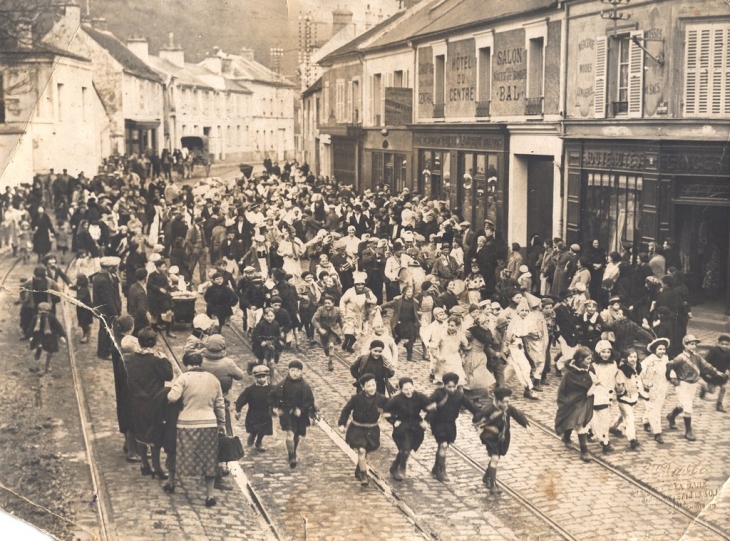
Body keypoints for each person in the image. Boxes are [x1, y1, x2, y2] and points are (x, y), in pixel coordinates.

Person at [167, 351, 226, 506]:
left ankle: (171, 482)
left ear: (186, 364)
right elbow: (220, 404)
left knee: (178, 452)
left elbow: (172, 398)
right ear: (201, 363)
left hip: (187, 423)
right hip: (209, 423)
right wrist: (221, 424)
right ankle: (209, 496)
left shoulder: (184, 378)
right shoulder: (213, 379)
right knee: (209, 458)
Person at [125, 328, 174, 480]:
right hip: (155, 401)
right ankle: (157, 466)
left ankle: (144, 464)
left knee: (140, 432)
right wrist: (164, 358)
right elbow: (169, 375)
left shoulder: (130, 359)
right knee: (155, 434)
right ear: (153, 342)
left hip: (137, 401)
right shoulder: (157, 360)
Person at [666, 334, 728, 441]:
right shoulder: (680, 358)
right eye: (691, 344)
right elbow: (670, 367)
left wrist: (716, 372)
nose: (693, 346)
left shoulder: (697, 357)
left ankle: (671, 416)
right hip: (683, 385)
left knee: (682, 405)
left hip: (693, 385)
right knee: (688, 407)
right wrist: (671, 378)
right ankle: (688, 431)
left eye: (695, 344)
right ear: (685, 345)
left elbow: (706, 366)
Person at [473, 387, 532, 495]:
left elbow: (518, 414)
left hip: (503, 436)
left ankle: (487, 476)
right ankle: (493, 485)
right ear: (497, 400)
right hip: (490, 437)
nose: (506, 404)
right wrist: (489, 428)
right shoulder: (488, 409)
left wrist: (526, 425)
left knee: (497, 457)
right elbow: (476, 422)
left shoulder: (507, 408)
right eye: (504, 402)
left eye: (508, 402)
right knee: (495, 458)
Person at [426, 372, 481, 482]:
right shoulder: (438, 393)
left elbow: (471, 407)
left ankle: (436, 468)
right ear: (444, 385)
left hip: (450, 423)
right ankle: (442, 471)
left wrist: (481, 415)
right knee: (443, 444)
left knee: (444, 445)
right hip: (438, 422)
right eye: (449, 387)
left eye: (454, 387)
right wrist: (429, 407)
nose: (451, 389)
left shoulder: (459, 395)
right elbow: (426, 404)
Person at [338, 373, 389, 487]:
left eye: (373, 385)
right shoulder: (356, 398)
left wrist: (391, 418)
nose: (372, 388)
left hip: (372, 429)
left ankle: (359, 468)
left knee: (365, 451)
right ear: (363, 387)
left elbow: (390, 408)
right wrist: (342, 423)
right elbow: (346, 410)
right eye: (368, 386)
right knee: (361, 450)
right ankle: (364, 475)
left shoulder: (381, 398)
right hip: (358, 429)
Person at [269, 360, 317, 468]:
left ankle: (293, 450)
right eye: (292, 370)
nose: (295, 373)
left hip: (300, 415)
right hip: (286, 413)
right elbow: (271, 396)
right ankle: (292, 456)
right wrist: (275, 409)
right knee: (290, 434)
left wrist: (302, 409)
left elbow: (310, 400)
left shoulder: (305, 386)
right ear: (289, 371)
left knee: (297, 435)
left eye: (297, 371)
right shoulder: (282, 384)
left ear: (301, 372)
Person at [384, 377, 431, 481]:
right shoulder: (396, 400)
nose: (409, 391)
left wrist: (426, 421)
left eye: (410, 388)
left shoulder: (420, 397)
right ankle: (402, 468)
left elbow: (431, 409)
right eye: (405, 389)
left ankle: (394, 467)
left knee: (408, 449)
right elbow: (386, 412)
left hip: (416, 427)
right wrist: (393, 420)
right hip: (402, 426)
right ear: (401, 389)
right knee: (405, 449)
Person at [555, 346, 595, 462]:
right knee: (571, 420)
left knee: (582, 423)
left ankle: (584, 450)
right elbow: (562, 389)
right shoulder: (569, 374)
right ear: (580, 360)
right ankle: (568, 439)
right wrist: (563, 402)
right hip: (572, 401)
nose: (590, 361)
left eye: (590, 359)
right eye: (587, 359)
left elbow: (595, 382)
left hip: (585, 401)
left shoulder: (590, 369)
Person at [201, 334, 244, 437]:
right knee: (225, 422)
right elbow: (240, 376)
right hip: (223, 397)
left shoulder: (201, 361)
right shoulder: (228, 363)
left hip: (204, 397)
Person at [611, 349, 646, 450]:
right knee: (630, 418)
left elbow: (639, 380)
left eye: (635, 357)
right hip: (624, 398)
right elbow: (618, 384)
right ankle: (633, 440)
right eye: (630, 357)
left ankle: (613, 427)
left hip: (633, 397)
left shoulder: (637, 367)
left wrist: (643, 391)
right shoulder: (622, 370)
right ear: (626, 358)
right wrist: (621, 390)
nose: (633, 359)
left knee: (624, 415)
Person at [235, 365, 273, 452]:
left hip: (265, 413)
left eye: (263, 377)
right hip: (253, 413)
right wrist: (238, 410)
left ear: (266, 377)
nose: (261, 379)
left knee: (263, 430)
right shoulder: (250, 390)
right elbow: (241, 400)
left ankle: (259, 442)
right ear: (255, 378)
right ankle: (252, 438)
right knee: (254, 429)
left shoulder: (271, 388)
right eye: (259, 377)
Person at [641, 338, 671, 444]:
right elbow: (641, 373)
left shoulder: (666, 359)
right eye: (659, 349)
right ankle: (657, 433)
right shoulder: (649, 360)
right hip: (651, 388)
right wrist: (645, 385)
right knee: (655, 410)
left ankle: (645, 421)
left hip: (662, 386)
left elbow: (669, 370)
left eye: (664, 349)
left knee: (655, 407)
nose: (662, 351)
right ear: (654, 350)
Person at [93, 256, 122, 359]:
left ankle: (107, 349)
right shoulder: (104, 280)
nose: (117, 268)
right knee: (106, 331)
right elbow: (108, 299)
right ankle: (103, 352)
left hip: (104, 310)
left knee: (107, 329)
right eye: (115, 267)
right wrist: (114, 312)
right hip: (106, 311)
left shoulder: (102, 276)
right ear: (110, 268)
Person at [29, 302, 66, 374]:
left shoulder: (51, 317)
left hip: (50, 337)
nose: (43, 315)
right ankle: (39, 365)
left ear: (48, 312)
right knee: (40, 347)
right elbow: (31, 327)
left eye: (45, 313)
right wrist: (31, 336)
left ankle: (47, 365)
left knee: (49, 351)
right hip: (39, 336)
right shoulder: (36, 318)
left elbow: (58, 326)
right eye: (41, 313)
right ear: (39, 311)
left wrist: (61, 335)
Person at [388, 284, 420, 362]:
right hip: (400, 322)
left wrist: (419, 315)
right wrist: (379, 307)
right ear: (404, 292)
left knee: (412, 337)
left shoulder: (414, 301)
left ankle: (409, 356)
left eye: (411, 292)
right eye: (408, 292)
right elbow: (388, 304)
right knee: (398, 337)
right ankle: (390, 350)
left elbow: (416, 311)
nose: (410, 293)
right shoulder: (398, 301)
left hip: (410, 322)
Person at [311, 295, 343, 371]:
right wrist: (319, 328)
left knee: (331, 345)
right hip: (323, 331)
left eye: (329, 303)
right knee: (325, 346)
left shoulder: (337, 310)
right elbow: (314, 320)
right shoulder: (320, 309)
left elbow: (340, 320)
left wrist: (342, 329)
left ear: (333, 303)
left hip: (333, 330)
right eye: (325, 303)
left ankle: (330, 362)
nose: (327, 305)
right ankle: (325, 348)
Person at [146, 259, 175, 338]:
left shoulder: (164, 275)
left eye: (165, 267)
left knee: (169, 312)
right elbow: (149, 285)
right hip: (154, 299)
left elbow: (166, 285)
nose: (165, 268)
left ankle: (168, 332)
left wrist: (170, 287)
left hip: (163, 298)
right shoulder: (152, 275)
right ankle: (154, 332)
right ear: (158, 267)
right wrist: (159, 288)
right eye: (163, 267)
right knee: (154, 315)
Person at [702, 334, 730, 413]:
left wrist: (728, 369)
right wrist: (710, 370)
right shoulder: (714, 351)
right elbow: (706, 361)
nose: (724, 346)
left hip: (722, 374)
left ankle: (719, 404)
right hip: (713, 374)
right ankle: (705, 389)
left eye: (727, 344)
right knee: (712, 391)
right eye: (722, 344)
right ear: (718, 344)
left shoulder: (729, 352)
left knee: (723, 388)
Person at [251, 307, 283, 375]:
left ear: (274, 316)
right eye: (268, 316)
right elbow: (255, 335)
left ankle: (272, 378)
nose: (270, 318)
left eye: (271, 316)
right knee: (260, 360)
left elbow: (278, 334)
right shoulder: (261, 324)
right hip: (261, 345)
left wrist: (278, 340)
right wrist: (261, 341)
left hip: (271, 344)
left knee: (270, 362)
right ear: (264, 316)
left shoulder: (276, 324)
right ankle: (251, 364)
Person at [127, 268, 150, 336]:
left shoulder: (133, 286)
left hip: (132, 315)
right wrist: (147, 320)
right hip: (139, 320)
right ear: (145, 278)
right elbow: (142, 310)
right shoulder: (141, 292)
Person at [74, 274, 93, 344]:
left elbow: (79, 298)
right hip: (81, 309)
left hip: (86, 309)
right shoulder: (80, 287)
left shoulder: (84, 289)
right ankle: (86, 333)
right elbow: (75, 287)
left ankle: (86, 335)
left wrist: (70, 299)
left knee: (85, 323)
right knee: (82, 322)